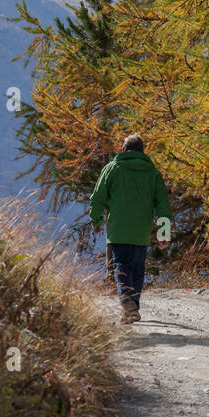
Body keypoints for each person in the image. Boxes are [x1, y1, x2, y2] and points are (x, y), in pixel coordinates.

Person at [89, 135, 171, 324]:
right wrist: (163, 233)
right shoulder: (153, 173)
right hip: (142, 231)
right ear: (143, 151)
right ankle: (132, 306)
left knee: (121, 266)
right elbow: (163, 205)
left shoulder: (112, 169)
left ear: (124, 149)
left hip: (119, 229)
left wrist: (96, 220)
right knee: (137, 269)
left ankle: (128, 304)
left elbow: (98, 196)